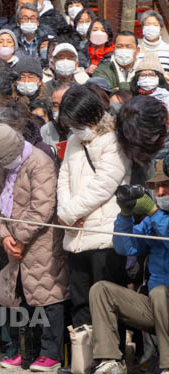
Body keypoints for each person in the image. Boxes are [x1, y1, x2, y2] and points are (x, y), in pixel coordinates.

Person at [0, 123, 69, 372]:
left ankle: (50, 353)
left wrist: (18, 238)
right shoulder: (3, 169)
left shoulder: (39, 162)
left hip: (41, 242)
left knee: (48, 296)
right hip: (14, 243)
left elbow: (42, 207)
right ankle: (26, 351)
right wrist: (4, 236)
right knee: (21, 299)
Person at [88, 160, 169, 374]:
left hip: (164, 299)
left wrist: (153, 212)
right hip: (156, 306)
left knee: (161, 292)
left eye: (166, 185)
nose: (160, 192)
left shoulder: (156, 216)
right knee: (101, 290)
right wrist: (125, 214)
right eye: (156, 187)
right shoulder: (154, 219)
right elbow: (125, 247)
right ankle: (111, 362)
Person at [56, 84, 130, 330]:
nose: (75, 127)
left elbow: (104, 185)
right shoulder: (74, 140)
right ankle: (83, 357)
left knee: (105, 298)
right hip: (76, 235)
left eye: (79, 121)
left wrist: (69, 213)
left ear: (94, 114)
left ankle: (107, 356)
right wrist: (65, 214)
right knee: (79, 299)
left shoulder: (114, 140)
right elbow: (64, 177)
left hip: (104, 234)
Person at [92, 31, 139, 104]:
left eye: (128, 46)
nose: (124, 50)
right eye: (119, 46)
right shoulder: (102, 70)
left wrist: (117, 89)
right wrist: (134, 88)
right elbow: (102, 94)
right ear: (114, 50)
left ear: (137, 51)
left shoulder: (143, 70)